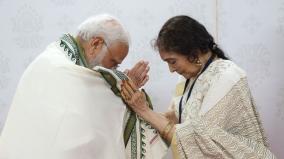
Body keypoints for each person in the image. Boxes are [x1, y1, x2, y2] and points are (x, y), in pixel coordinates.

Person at [121, 15, 276, 158]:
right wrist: (138, 103)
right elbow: (175, 117)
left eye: (172, 61)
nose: (171, 69)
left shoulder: (227, 76)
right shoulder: (187, 79)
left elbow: (198, 138)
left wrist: (143, 110)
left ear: (192, 53)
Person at [0, 14, 149, 159]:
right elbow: (96, 117)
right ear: (95, 44)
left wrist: (123, 86)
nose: (114, 70)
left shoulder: (51, 59)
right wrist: (126, 89)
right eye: (113, 62)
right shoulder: (63, 70)